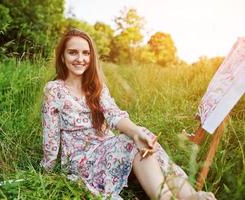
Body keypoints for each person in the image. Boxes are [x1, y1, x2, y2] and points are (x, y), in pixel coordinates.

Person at [40, 28, 216, 200]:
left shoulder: (96, 88)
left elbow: (114, 114)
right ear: (62, 57)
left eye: (86, 53)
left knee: (143, 136)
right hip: (81, 160)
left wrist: (136, 131)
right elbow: (51, 135)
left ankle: (189, 195)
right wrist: (47, 170)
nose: (80, 59)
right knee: (130, 143)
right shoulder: (54, 89)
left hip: (106, 151)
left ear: (91, 57)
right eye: (73, 53)